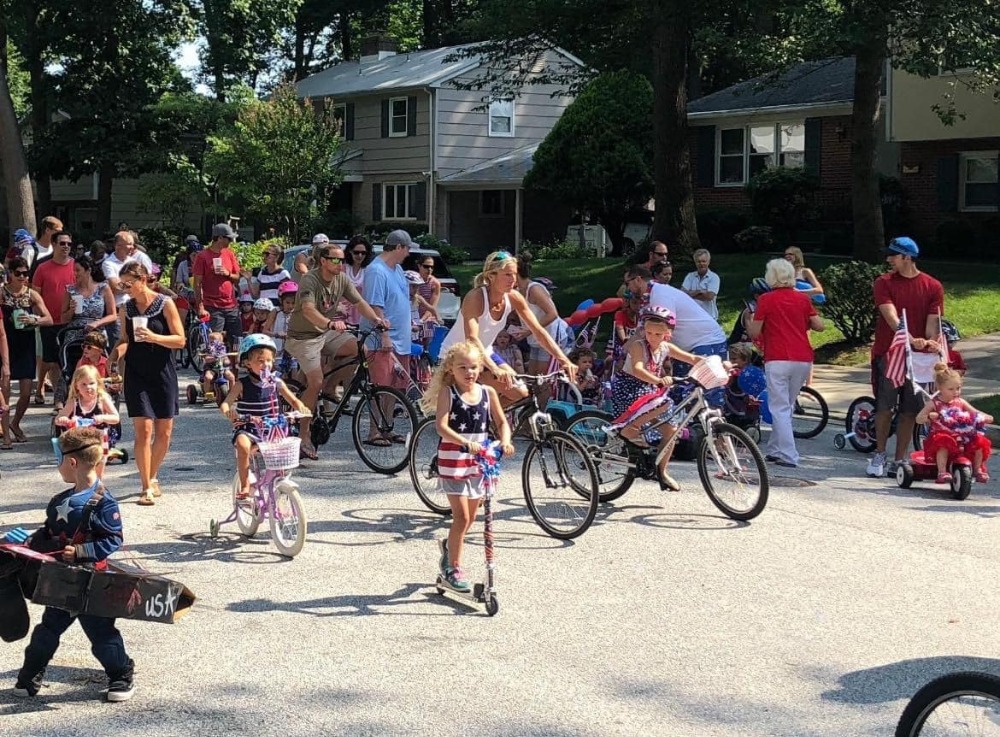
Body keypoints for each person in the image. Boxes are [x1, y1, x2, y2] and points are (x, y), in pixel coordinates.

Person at [14, 426, 135, 702]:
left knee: (102, 635)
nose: (58, 467)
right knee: (46, 632)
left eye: (59, 460)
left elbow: (113, 540)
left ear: (72, 462)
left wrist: (81, 551)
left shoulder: (104, 503)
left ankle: (121, 673)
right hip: (61, 583)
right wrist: (25, 545)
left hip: (93, 583)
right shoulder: (58, 502)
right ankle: (30, 674)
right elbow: (48, 534)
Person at [419, 340, 513, 593]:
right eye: (463, 367)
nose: (469, 372)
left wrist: (505, 441)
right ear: (451, 368)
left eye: (473, 367)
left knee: (472, 517)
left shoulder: (488, 393)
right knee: (460, 517)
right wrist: (464, 442)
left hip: (480, 462)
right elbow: (442, 426)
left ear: (481, 367)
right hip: (454, 461)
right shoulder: (448, 393)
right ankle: (453, 567)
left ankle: (450, 549)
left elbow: (502, 422)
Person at [285, 241, 386, 459]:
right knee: (315, 382)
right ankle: (304, 436)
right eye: (335, 259)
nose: (340, 263)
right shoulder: (310, 280)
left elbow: (359, 303)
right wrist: (329, 323)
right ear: (322, 261)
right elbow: (309, 310)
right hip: (303, 337)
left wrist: (377, 319)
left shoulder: (342, 279)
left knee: (361, 349)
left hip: (325, 332)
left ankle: (331, 388)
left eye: (342, 259)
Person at [439, 250, 577, 403]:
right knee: (457, 407)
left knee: (520, 392)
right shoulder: (476, 297)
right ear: (491, 276)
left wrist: (563, 360)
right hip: (458, 354)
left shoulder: (513, 297)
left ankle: (491, 422)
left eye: (514, 274)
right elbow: (472, 338)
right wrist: (494, 368)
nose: (513, 279)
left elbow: (538, 331)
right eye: (507, 275)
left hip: (484, 352)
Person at [866, 236, 945, 478]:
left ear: (907, 257)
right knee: (885, 406)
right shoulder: (884, 282)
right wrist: (909, 338)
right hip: (890, 352)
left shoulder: (933, 286)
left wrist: (931, 341)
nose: (889, 259)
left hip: (918, 360)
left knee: (911, 410)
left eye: (893, 255)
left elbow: (933, 323)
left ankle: (900, 459)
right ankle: (880, 453)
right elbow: (891, 317)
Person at [110, 262, 185, 506]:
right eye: (122, 284)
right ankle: (145, 486)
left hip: (163, 372)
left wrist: (155, 337)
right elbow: (124, 340)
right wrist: (114, 356)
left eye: (128, 284)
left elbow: (180, 340)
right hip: (136, 372)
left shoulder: (165, 303)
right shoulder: (126, 308)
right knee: (144, 430)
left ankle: (152, 476)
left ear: (142, 279)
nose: (126, 289)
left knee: (165, 431)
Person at [609, 305, 705, 491]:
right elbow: (637, 369)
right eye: (649, 332)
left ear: (667, 334)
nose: (652, 338)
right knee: (663, 404)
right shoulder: (638, 346)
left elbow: (692, 358)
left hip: (650, 388)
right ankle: (631, 429)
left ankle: (661, 471)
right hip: (629, 388)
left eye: (658, 334)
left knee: (671, 430)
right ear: (643, 330)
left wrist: (715, 363)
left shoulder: (666, 347)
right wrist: (659, 380)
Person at [746, 258, 825, 468]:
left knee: (779, 407)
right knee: (787, 405)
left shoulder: (766, 299)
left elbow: (754, 331)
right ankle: (775, 449)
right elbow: (820, 326)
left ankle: (789, 455)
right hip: (803, 358)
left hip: (778, 357)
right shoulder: (802, 299)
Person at [220, 334, 310, 499]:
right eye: (260, 361)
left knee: (284, 449)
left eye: (269, 360)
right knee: (243, 445)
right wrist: (229, 411)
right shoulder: (242, 384)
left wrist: (301, 408)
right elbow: (226, 403)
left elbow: (293, 399)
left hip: (272, 426)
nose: (265, 365)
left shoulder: (276, 382)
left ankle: (280, 484)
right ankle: (245, 483)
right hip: (248, 426)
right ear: (247, 363)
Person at [360, 230, 417, 446]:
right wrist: (384, 335)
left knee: (394, 386)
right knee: (380, 385)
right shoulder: (376, 271)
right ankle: (374, 431)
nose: (408, 253)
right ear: (400, 247)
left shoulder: (398, 269)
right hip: (382, 339)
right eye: (408, 248)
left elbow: (400, 299)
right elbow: (375, 305)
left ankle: (387, 427)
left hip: (401, 339)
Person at [1, 257, 52, 444]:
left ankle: (15, 423)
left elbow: (49, 318)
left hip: (25, 344)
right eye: (18, 273)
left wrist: (34, 320)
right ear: (10, 274)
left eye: (25, 273)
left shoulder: (31, 295)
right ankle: (5, 429)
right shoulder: (2, 293)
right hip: (6, 344)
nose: (22, 277)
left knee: (25, 391)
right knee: (4, 390)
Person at [917, 362, 992, 484]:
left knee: (979, 440)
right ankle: (942, 472)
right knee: (943, 442)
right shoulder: (935, 403)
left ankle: (977, 469)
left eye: (958, 388)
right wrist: (929, 416)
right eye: (951, 389)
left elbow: (975, 412)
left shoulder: (960, 401)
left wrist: (985, 417)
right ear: (940, 388)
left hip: (962, 436)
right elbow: (918, 418)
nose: (955, 392)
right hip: (941, 435)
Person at [515, 252, 572, 403]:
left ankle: (543, 415)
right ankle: (532, 413)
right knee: (532, 377)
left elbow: (552, 313)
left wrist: (529, 330)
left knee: (542, 379)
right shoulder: (516, 291)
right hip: (535, 339)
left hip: (552, 336)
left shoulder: (534, 289)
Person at [32, 230, 76, 409]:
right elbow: (35, 294)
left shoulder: (76, 266)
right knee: (51, 360)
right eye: (62, 243)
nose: (66, 247)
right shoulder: (43, 268)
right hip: (49, 321)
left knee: (64, 360)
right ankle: (51, 393)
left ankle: (62, 399)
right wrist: (40, 315)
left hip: (70, 321)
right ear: (54, 245)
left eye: (69, 244)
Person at [55, 365, 121, 476]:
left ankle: (98, 484)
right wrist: (63, 419)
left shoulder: (102, 399)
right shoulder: (74, 401)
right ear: (76, 386)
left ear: (98, 384)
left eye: (91, 383)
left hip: (99, 439)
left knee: (100, 463)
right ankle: (83, 485)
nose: (88, 388)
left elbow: (116, 418)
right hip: (81, 440)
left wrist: (103, 418)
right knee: (81, 466)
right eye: (83, 384)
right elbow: (58, 418)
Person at [193, 223, 243, 349]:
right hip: (212, 305)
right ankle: (216, 367)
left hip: (231, 305)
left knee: (236, 340)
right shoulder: (202, 256)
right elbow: (197, 283)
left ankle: (234, 367)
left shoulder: (229, 254)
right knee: (216, 340)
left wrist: (227, 274)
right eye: (229, 238)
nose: (231, 241)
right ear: (219, 238)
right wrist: (200, 306)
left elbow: (237, 277)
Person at [102, 230, 153, 349]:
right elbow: (115, 287)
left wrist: (128, 284)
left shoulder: (133, 262)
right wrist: (135, 284)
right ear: (118, 245)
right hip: (119, 312)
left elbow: (146, 284)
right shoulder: (108, 264)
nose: (132, 247)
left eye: (132, 244)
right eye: (129, 244)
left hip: (137, 310)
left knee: (136, 347)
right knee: (119, 348)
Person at [681, 248, 721, 319]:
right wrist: (700, 291)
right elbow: (682, 295)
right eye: (698, 261)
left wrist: (690, 295)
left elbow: (709, 297)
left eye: (704, 261)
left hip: (709, 316)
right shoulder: (690, 276)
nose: (701, 264)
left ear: (708, 262)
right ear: (695, 262)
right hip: (692, 316)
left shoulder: (714, 277)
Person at [343, 235, 370, 324]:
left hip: (362, 317)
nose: (360, 255)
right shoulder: (341, 269)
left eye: (363, 253)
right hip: (342, 317)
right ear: (350, 251)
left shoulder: (369, 271)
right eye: (356, 252)